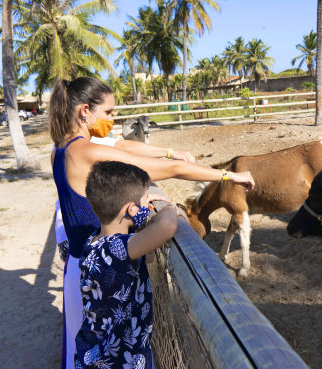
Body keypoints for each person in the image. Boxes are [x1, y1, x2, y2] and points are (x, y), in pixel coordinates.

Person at [49, 77, 255, 369]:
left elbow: (122, 146)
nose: (112, 118)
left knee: (83, 351)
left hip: (81, 266)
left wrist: (168, 150)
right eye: (108, 112)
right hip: (103, 279)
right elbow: (168, 170)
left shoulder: (61, 149)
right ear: (85, 111)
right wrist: (228, 176)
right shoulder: (84, 151)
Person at [75, 160, 174, 369]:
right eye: (145, 203)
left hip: (105, 352)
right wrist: (168, 209)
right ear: (131, 209)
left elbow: (148, 257)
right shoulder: (115, 248)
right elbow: (167, 226)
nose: (148, 207)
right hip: (118, 359)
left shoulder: (95, 241)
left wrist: (141, 210)